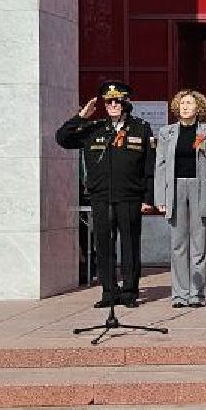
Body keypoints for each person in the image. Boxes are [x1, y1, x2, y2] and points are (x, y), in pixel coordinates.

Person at [56, 81, 156, 308]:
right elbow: (62, 138)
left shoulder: (141, 128)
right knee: (103, 246)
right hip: (101, 197)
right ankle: (109, 291)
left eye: (117, 101)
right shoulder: (94, 128)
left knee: (130, 246)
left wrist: (148, 198)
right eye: (108, 101)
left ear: (126, 102)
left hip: (130, 197)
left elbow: (149, 167)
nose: (113, 105)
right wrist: (81, 116)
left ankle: (129, 292)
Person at [153, 89, 206, 308]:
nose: (185, 107)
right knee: (178, 244)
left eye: (189, 103)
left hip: (200, 188)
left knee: (198, 244)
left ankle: (198, 294)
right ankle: (180, 294)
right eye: (182, 103)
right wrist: (160, 197)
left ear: (198, 107)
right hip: (175, 188)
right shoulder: (166, 132)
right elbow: (160, 165)